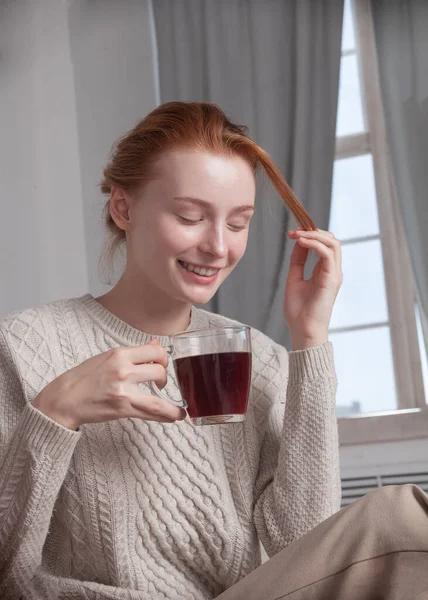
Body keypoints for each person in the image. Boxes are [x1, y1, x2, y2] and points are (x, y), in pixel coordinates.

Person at [0, 102, 426, 600]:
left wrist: (310, 339)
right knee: (403, 520)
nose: (218, 246)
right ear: (124, 208)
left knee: (403, 523)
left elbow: (306, 553)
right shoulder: (26, 346)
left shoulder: (260, 360)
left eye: (239, 223)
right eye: (190, 216)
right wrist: (56, 413)